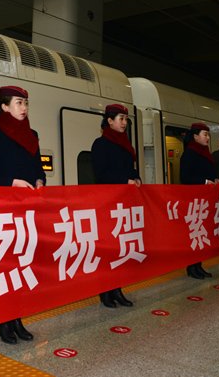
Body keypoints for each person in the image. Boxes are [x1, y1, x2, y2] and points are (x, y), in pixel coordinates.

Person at [0, 85, 45, 345]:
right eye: (18, 102)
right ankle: (3, 321)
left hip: (26, 213)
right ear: (4, 106)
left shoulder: (32, 135)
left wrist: (39, 180)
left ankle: (17, 319)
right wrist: (11, 182)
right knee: (4, 270)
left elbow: (38, 168)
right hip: (2, 214)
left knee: (21, 268)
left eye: (25, 103)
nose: (23, 107)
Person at [91, 103, 139, 308]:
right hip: (107, 204)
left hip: (123, 204)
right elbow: (101, 174)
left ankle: (117, 289)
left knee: (120, 248)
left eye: (126, 119)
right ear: (109, 121)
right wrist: (124, 180)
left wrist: (135, 177)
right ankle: (105, 292)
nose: (124, 122)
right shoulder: (100, 144)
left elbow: (130, 169)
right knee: (108, 250)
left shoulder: (126, 144)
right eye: (121, 118)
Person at [180, 122, 219, 279]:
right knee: (195, 234)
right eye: (205, 134)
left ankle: (198, 265)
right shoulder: (189, 153)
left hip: (204, 201)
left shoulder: (205, 152)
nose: (208, 138)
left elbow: (209, 172)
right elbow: (185, 177)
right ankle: (192, 267)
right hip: (194, 201)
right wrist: (204, 182)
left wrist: (215, 179)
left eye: (208, 134)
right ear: (196, 136)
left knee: (202, 234)